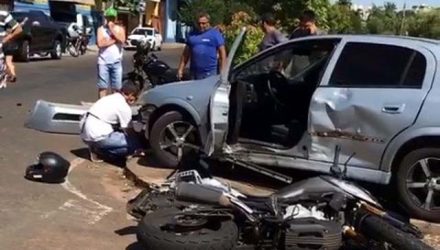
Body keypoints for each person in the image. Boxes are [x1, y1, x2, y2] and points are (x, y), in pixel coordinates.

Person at [80, 82, 143, 163]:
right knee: (133, 146)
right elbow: (129, 131)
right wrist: (139, 145)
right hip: (99, 136)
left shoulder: (110, 98)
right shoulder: (123, 107)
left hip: (85, 134)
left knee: (120, 136)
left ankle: (95, 148)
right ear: (131, 96)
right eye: (136, 98)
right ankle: (100, 151)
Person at [177, 12, 227, 80]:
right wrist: (180, 69)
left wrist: (223, 72)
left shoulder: (215, 34)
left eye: (203, 23)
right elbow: (185, 55)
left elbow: (222, 55)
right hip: (194, 73)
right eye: (199, 23)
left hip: (209, 74)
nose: (201, 25)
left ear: (208, 23)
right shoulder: (192, 35)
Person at [96, 7, 126, 99]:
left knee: (116, 88)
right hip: (103, 62)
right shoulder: (101, 29)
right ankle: (101, 107)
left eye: (112, 18)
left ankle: (113, 107)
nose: (110, 20)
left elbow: (122, 40)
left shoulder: (120, 29)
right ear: (106, 18)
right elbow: (100, 44)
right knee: (103, 87)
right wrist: (114, 40)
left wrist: (112, 30)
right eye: (109, 18)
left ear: (115, 18)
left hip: (116, 62)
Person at [0, 11, 23, 86]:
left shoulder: (3, 15)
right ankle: (12, 74)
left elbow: (19, 29)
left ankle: (10, 75)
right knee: (9, 61)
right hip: (9, 45)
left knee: (8, 61)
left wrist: (7, 38)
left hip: (6, 47)